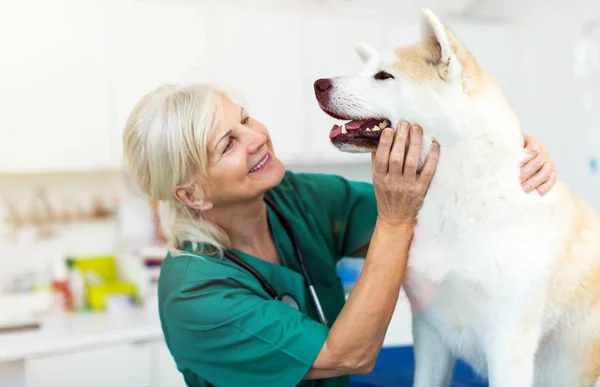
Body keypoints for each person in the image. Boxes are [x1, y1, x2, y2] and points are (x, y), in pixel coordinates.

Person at [122, 83, 557, 387]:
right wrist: (394, 219)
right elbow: (349, 355)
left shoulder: (289, 197)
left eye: (246, 118)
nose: (257, 138)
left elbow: (434, 213)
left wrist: (512, 163)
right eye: (228, 144)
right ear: (192, 193)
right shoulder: (195, 297)